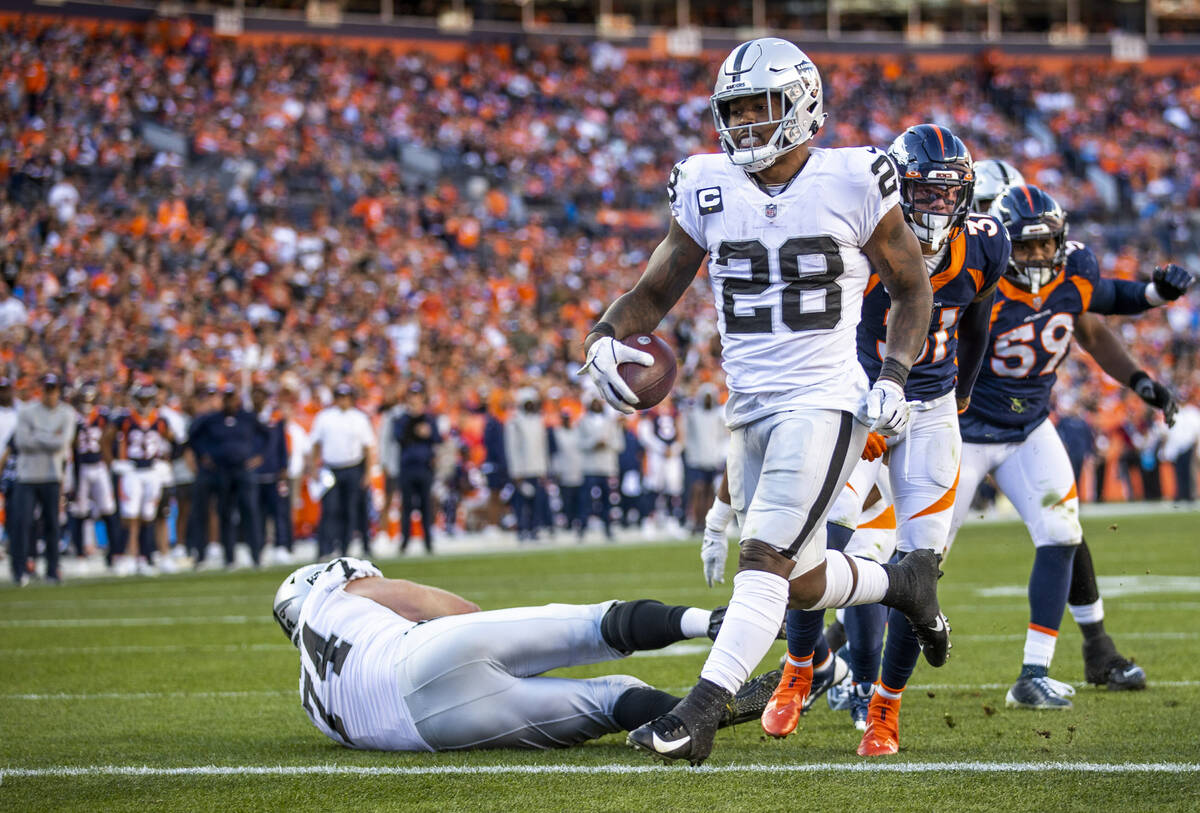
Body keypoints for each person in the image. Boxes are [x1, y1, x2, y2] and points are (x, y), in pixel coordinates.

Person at [579, 38, 946, 766]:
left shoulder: (855, 178)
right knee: (804, 581)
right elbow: (655, 290)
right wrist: (602, 334)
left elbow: (913, 285)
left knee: (764, 557)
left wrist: (896, 373)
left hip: (824, 399)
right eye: (736, 110)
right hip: (747, 404)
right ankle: (906, 582)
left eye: (761, 107)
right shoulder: (706, 183)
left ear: (804, 106)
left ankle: (699, 713)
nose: (747, 123)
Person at [763, 124, 1011, 755]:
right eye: (921, 194)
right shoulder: (858, 238)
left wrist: (961, 393)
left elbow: (978, 320)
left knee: (919, 568)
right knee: (819, 539)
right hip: (857, 401)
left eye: (945, 195)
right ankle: (800, 666)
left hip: (927, 408)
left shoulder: (986, 245)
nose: (933, 208)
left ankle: (884, 708)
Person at [948, 184, 1187, 708]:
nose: (1036, 256)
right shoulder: (977, 277)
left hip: (1030, 427)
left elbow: (1099, 309)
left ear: (1061, 241)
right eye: (1025, 246)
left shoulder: (1072, 269)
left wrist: (1151, 310)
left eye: (1044, 244)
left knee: (1061, 532)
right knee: (919, 559)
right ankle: (842, 665)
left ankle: (1034, 673)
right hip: (962, 431)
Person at [272, 557, 781, 752]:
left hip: (429, 731)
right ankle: (713, 622)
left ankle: (710, 714)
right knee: (595, 626)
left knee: (610, 700)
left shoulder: (311, 702)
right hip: (419, 657)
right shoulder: (336, 591)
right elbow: (457, 610)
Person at [187, 383, 268, 568]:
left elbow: (267, 436)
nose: (231, 401)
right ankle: (229, 557)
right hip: (221, 471)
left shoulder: (248, 418)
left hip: (243, 470)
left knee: (250, 511)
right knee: (224, 512)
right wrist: (203, 456)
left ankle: (256, 554)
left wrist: (259, 456)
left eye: (233, 397)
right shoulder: (211, 419)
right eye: (228, 398)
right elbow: (193, 435)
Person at [10, 374, 75, 584]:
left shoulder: (67, 413)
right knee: (22, 523)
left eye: (53, 388)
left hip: (52, 475)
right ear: (42, 390)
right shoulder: (27, 411)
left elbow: (62, 443)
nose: (50, 393)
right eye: (47, 388)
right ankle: (19, 570)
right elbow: (22, 442)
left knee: (52, 525)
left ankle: (52, 569)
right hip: (27, 475)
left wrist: (37, 434)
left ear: (58, 390)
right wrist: (50, 436)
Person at [113, 385, 175, 575]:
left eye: (148, 400)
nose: (145, 404)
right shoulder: (125, 419)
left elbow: (173, 441)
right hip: (132, 470)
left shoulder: (161, 420)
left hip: (153, 472)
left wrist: (164, 461)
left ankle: (146, 556)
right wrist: (114, 462)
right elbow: (106, 439)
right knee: (131, 515)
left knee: (150, 515)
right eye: (142, 400)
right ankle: (130, 556)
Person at [309, 383, 376, 558]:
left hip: (353, 467)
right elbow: (315, 444)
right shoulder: (325, 417)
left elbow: (368, 447)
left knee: (350, 510)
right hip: (331, 468)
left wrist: (368, 472)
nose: (343, 400)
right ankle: (324, 548)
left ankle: (344, 549)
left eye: (346, 397)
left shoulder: (359, 418)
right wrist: (313, 467)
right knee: (330, 509)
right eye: (340, 396)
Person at [67, 383, 120, 565]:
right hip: (80, 467)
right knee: (79, 511)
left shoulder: (103, 416)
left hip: (99, 465)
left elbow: (111, 439)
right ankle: (80, 552)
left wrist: (111, 460)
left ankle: (114, 553)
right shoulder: (73, 417)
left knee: (108, 509)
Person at [393, 382, 441, 554]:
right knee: (406, 506)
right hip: (407, 467)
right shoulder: (401, 419)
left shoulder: (430, 418)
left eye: (417, 395)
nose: (415, 398)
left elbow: (437, 438)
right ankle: (404, 542)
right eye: (412, 395)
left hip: (424, 467)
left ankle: (428, 541)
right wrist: (416, 430)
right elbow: (399, 438)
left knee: (426, 506)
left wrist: (427, 433)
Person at [251, 384, 293, 564]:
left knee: (279, 511)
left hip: (273, 471)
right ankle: (259, 546)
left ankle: (281, 545)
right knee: (257, 513)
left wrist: (283, 466)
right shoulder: (247, 417)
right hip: (254, 474)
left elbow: (281, 444)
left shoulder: (275, 417)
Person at [504, 387, 551, 542]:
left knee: (537, 502)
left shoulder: (538, 420)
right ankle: (522, 530)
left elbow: (543, 447)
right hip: (522, 470)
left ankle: (534, 529)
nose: (531, 405)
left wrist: (544, 469)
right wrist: (516, 472)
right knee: (520, 503)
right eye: (528, 402)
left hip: (537, 469)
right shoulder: (514, 422)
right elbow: (512, 448)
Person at [683, 384, 727, 534]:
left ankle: (706, 522)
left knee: (709, 491)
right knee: (697, 489)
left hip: (712, 459)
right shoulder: (694, 414)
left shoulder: (718, 416)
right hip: (697, 458)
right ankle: (695, 520)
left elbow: (723, 435)